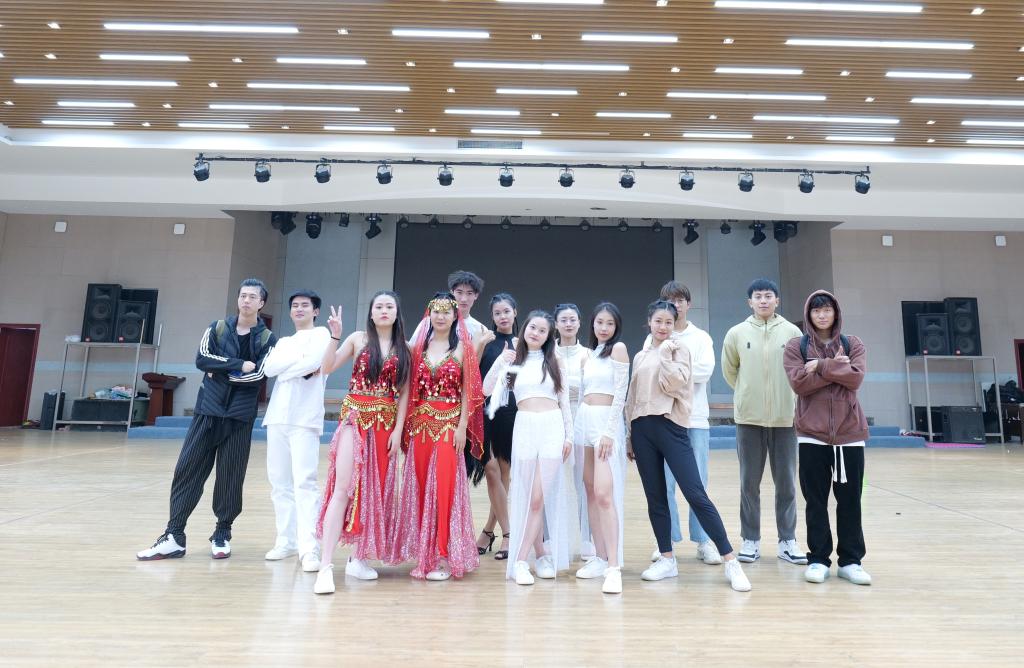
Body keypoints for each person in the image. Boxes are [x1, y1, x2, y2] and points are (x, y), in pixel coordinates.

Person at [137, 278, 277, 561]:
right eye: (243, 295)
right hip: (207, 412)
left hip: (239, 418)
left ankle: (222, 532)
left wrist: (219, 372)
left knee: (230, 477)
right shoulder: (217, 328)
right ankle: (174, 535)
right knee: (187, 470)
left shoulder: (267, 339)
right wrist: (238, 365)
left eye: (252, 297)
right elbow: (202, 360)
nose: (246, 300)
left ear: (261, 303)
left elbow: (258, 376)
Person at [627, 300, 751, 592]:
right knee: (656, 497)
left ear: (674, 325)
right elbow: (632, 397)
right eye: (658, 321)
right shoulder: (640, 355)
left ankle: (730, 560)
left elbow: (675, 385)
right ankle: (666, 558)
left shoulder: (678, 350)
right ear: (649, 322)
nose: (663, 327)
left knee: (695, 493)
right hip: (642, 429)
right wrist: (630, 435)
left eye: (668, 322)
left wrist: (666, 355)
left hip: (671, 427)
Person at [313, 291, 411, 594]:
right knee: (343, 488)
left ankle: (359, 557)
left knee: (375, 492)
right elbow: (326, 367)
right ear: (371, 312)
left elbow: (405, 393)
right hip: (354, 420)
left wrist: (398, 430)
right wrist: (334, 336)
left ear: (396, 313)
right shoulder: (357, 339)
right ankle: (325, 566)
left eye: (389, 306)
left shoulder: (405, 347)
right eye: (378, 306)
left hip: (385, 425)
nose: (384, 311)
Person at [390, 292, 484, 580]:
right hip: (420, 427)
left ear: (455, 316)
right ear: (429, 315)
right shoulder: (418, 348)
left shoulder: (464, 349)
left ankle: (444, 556)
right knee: (419, 487)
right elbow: (407, 389)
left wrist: (462, 426)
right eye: (436, 311)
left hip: (448, 427)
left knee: (444, 488)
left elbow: (469, 391)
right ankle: (425, 555)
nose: (441, 316)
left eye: (446, 312)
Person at [783, 290, 872, 586]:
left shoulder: (853, 343)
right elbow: (799, 384)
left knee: (850, 501)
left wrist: (820, 365)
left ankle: (851, 561)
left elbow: (855, 378)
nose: (822, 315)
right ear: (808, 314)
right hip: (811, 435)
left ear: (836, 313)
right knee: (816, 501)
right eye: (816, 310)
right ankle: (818, 559)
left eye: (827, 310)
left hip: (849, 435)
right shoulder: (796, 346)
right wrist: (838, 367)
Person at [483, 311, 573, 586]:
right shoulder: (514, 362)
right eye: (533, 327)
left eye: (542, 331)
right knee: (528, 496)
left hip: (552, 427)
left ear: (548, 337)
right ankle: (542, 554)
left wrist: (568, 436)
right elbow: (488, 390)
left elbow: (564, 401)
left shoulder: (555, 361)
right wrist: (501, 361)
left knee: (537, 498)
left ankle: (520, 560)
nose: (536, 333)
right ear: (524, 329)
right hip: (524, 428)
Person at [721, 278, 806, 565]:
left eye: (768, 296)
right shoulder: (736, 333)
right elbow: (730, 371)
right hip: (749, 419)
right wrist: (747, 393)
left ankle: (787, 541)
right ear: (750, 302)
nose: (763, 301)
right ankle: (750, 540)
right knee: (748, 483)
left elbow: (799, 371)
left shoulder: (793, 332)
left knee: (787, 484)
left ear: (777, 300)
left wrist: (786, 398)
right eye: (758, 296)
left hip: (785, 418)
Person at [643, 281, 722, 566]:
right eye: (670, 300)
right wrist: (677, 373)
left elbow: (705, 372)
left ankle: (703, 541)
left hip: (694, 419)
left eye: (680, 300)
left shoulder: (700, 337)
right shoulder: (653, 337)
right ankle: (667, 541)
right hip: (663, 419)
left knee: (697, 484)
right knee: (664, 484)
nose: (675, 305)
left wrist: (671, 373)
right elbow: (648, 373)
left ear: (688, 304)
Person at [261, 290, 332, 573]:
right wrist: (295, 366)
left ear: (315, 311)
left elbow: (314, 363)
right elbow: (269, 369)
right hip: (277, 417)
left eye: (305, 305)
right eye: (295, 306)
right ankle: (286, 540)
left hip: (305, 418)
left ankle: (309, 547)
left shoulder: (322, 334)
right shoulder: (284, 342)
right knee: (279, 483)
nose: (299, 309)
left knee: (305, 482)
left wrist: (288, 368)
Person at [573, 303, 630, 595]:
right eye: (599, 322)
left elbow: (621, 391)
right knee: (590, 490)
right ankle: (599, 556)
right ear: (592, 325)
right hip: (584, 421)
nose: (604, 328)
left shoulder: (618, 349)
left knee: (605, 495)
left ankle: (613, 566)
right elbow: (583, 392)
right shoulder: (589, 355)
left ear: (616, 326)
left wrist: (609, 431)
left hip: (606, 424)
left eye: (609, 323)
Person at [470, 293, 518, 561]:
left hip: (508, 412)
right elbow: (472, 374)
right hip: (482, 411)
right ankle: (508, 533)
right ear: (492, 316)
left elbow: (514, 383)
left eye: (506, 311)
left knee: (504, 472)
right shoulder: (485, 341)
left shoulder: (521, 343)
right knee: (490, 470)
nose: (502, 316)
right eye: (498, 312)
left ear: (515, 313)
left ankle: (490, 531)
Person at [553, 302, 594, 559]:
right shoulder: (548, 353)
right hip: (553, 418)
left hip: (582, 418)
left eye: (572, 319)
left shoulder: (588, 354)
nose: (568, 324)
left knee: (583, 478)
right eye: (563, 320)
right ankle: (555, 539)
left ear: (579, 323)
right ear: (556, 324)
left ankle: (586, 538)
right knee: (555, 479)